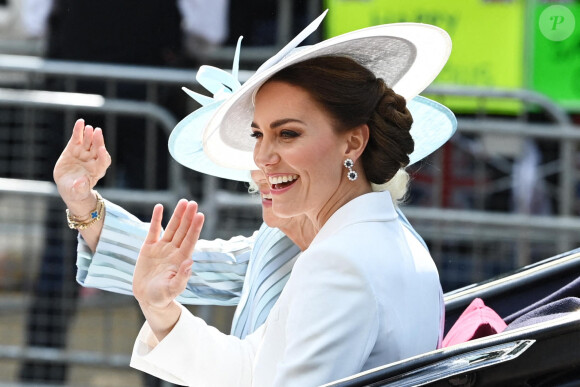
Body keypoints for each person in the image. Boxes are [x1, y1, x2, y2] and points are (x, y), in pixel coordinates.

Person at [125, 11, 454, 386]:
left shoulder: (339, 260)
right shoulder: (384, 239)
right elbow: (256, 367)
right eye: (258, 135)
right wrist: (161, 310)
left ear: (353, 142)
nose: (263, 156)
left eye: (288, 134)